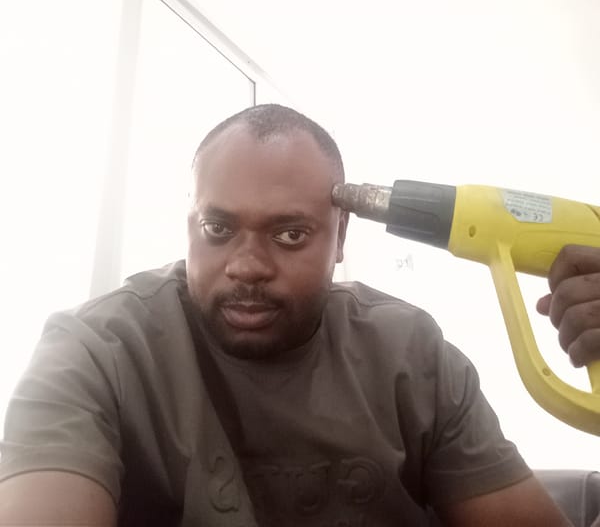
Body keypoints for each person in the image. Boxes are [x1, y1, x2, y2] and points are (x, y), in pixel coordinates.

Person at [0, 103, 597, 526]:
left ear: (340, 240)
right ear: (188, 225)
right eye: (218, 228)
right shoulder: (94, 352)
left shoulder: (412, 354)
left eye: (289, 233)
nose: (247, 265)